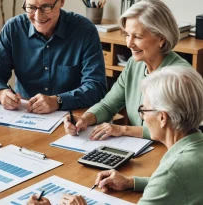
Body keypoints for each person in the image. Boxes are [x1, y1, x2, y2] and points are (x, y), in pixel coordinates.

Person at [29, 66, 203, 204]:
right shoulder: (193, 150)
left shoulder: (172, 172)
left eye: (143, 109)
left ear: (162, 118)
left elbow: (170, 180)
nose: (141, 116)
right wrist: (131, 182)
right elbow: (179, 184)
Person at [64, 0, 191, 140]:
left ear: (161, 38)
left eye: (137, 36)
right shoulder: (134, 65)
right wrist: (85, 119)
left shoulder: (180, 76)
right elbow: (108, 105)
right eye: (127, 35)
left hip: (169, 151)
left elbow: (175, 130)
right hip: (141, 148)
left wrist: (123, 130)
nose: (129, 44)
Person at [0, 0, 107, 114]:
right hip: (25, 115)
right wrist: (1, 93)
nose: (38, 16)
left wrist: (58, 101)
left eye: (46, 7)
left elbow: (96, 87)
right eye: (31, 7)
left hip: (72, 118)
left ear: (61, 2)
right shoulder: (13, 29)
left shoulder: (85, 31)